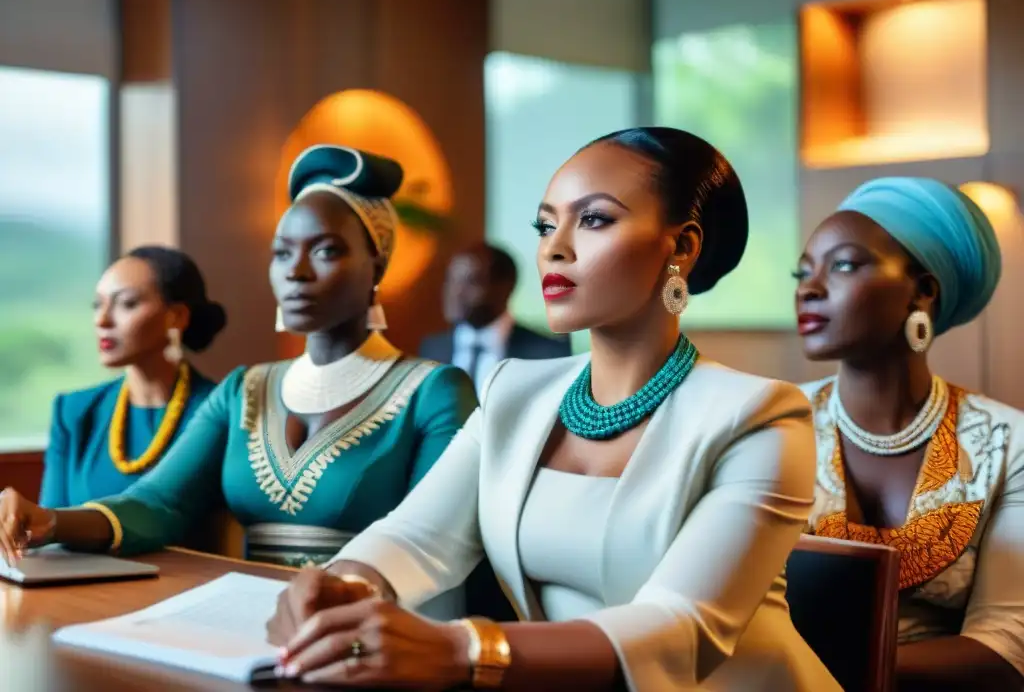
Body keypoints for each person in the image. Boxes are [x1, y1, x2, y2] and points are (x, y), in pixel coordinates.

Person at [265, 127, 840, 691]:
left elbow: (680, 628)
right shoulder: (513, 391)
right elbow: (416, 538)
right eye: (546, 224)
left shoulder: (762, 416)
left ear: (682, 247)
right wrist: (344, 584)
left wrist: (461, 650)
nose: (553, 247)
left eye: (593, 219)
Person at [0, 145, 477, 576]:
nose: (297, 271)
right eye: (282, 253)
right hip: (253, 628)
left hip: (380, 632)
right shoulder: (243, 390)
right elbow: (157, 503)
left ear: (377, 264)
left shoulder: (434, 390)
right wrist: (51, 520)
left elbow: (432, 538)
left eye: (326, 250)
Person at [794, 176, 1024, 691]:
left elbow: (1007, 646)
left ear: (923, 290)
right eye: (803, 272)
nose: (808, 288)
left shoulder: (1010, 443)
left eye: (845, 265)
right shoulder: (769, 422)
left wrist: (814, 672)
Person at [39, 246, 225, 507]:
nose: (102, 320)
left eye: (127, 303)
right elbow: (49, 526)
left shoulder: (218, 410)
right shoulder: (73, 412)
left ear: (177, 316)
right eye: (97, 305)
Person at [420, 242, 572, 390]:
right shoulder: (432, 350)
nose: (455, 292)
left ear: (505, 288)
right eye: (451, 280)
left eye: (471, 282)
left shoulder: (548, 354)